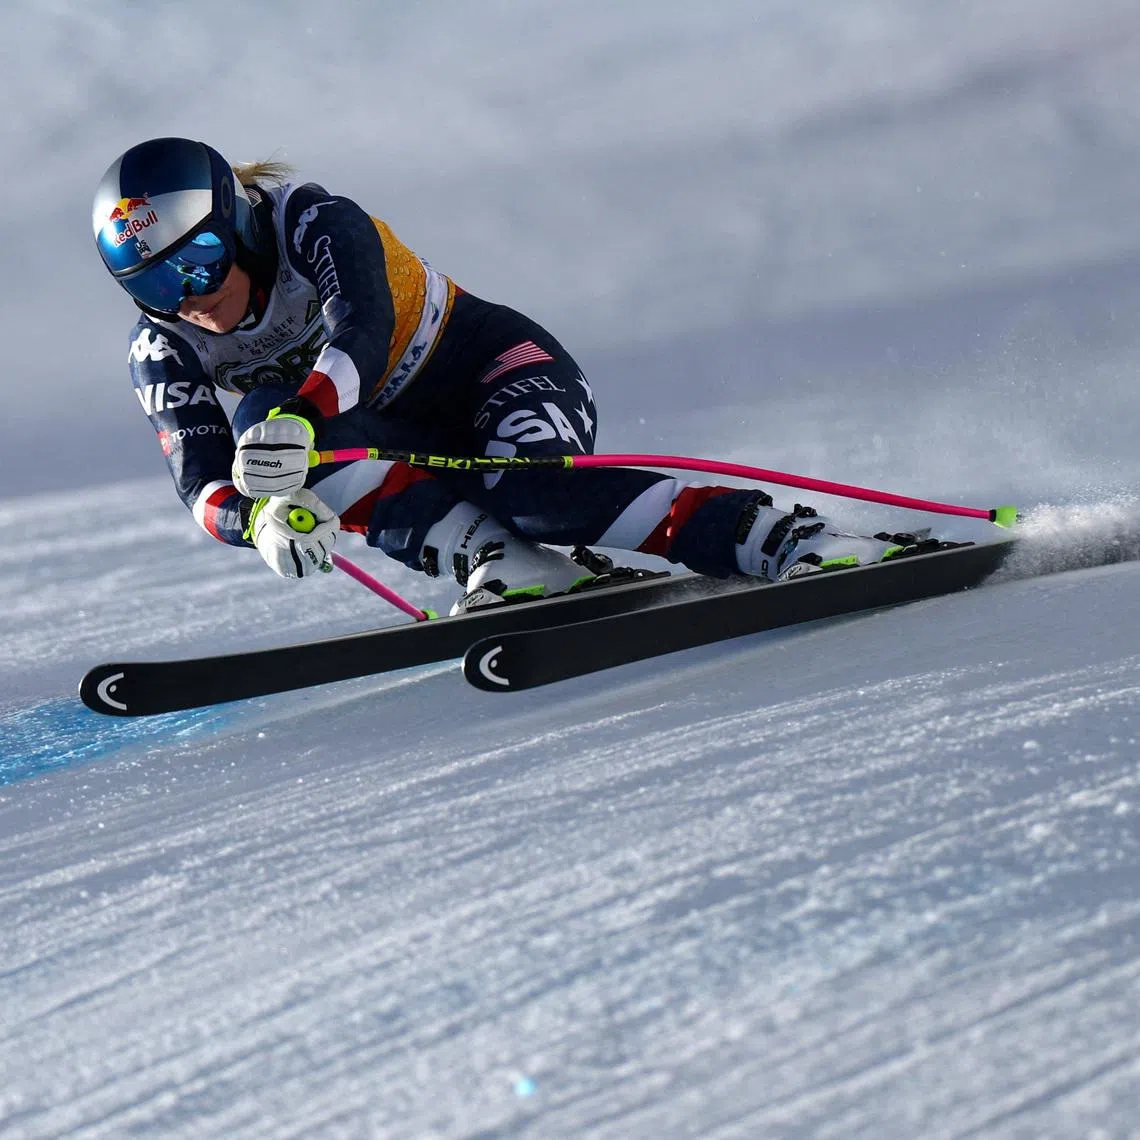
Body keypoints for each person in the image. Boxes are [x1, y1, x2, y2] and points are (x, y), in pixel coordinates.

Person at [92, 137, 926, 614]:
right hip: (389, 428)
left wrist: (304, 412)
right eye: (154, 285)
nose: (191, 299)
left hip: (490, 368)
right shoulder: (162, 346)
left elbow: (365, 330)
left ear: (234, 222)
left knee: (531, 491)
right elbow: (199, 481)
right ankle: (502, 560)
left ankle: (785, 538)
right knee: (264, 436)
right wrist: (262, 520)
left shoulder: (310, 219)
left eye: (198, 262)